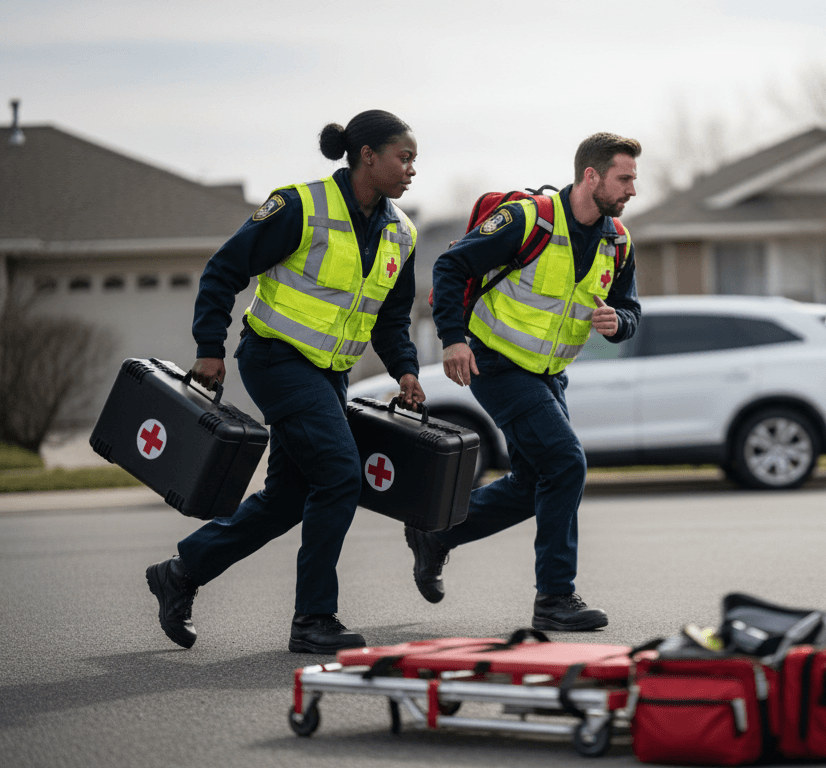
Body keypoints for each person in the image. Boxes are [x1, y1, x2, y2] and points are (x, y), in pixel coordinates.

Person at [145, 110, 425, 653]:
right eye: (404, 157)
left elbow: (390, 318)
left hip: (330, 374)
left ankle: (180, 573)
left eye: (415, 160)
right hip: (275, 359)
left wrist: (406, 370)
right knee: (341, 474)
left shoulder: (402, 232)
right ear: (367, 155)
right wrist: (209, 349)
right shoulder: (301, 206)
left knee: (289, 497)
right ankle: (313, 619)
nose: (413, 170)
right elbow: (224, 270)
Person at [404, 132, 642, 631]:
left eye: (634, 180)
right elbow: (450, 265)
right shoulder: (525, 219)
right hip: (495, 363)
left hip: (550, 375)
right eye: (624, 178)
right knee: (566, 463)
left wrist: (619, 323)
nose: (632, 190)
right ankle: (555, 597)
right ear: (591, 176)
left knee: (535, 480)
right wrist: (453, 339)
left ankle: (437, 534)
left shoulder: (617, 241)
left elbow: (631, 309)